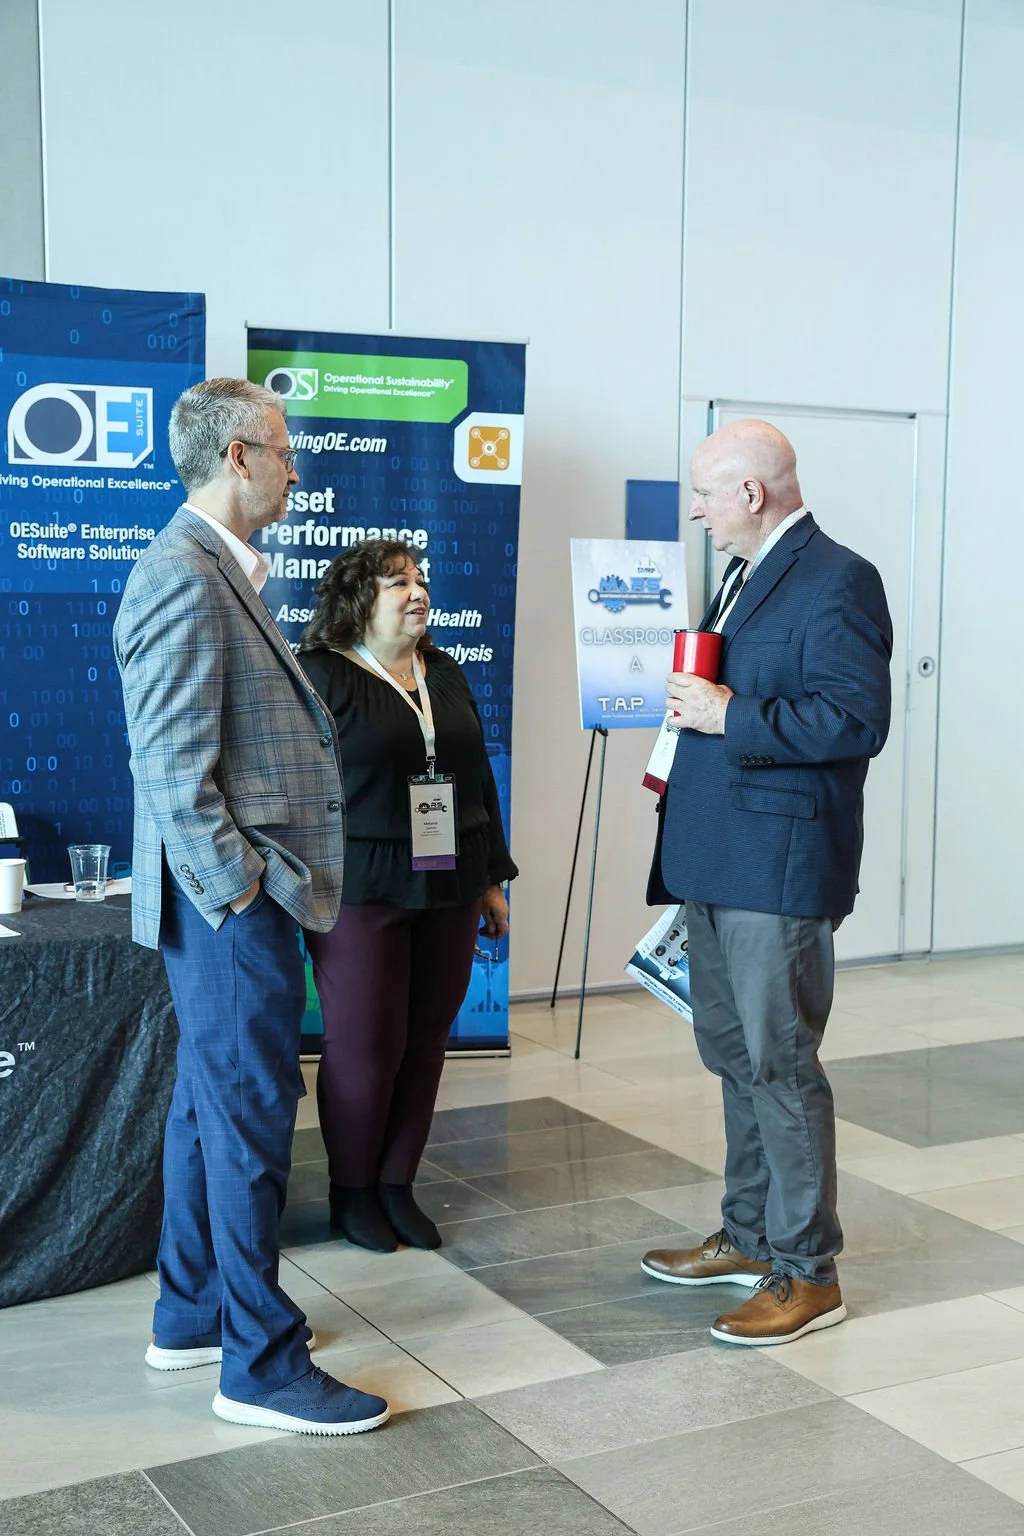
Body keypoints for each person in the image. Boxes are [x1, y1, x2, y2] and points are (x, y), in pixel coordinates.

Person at [113, 379, 389, 1435]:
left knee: (206, 1110)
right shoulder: (183, 577)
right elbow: (174, 771)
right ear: (237, 455)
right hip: (232, 904)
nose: (293, 467)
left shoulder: (218, 574)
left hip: (234, 900)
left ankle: (192, 1315)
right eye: (281, 450)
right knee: (248, 1123)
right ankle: (259, 1364)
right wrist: (239, 893)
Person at [641, 418, 892, 1345]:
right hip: (715, 858)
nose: (697, 509)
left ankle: (805, 1269)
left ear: (751, 494)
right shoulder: (744, 572)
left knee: (781, 1069)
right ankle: (749, 1233)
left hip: (777, 872)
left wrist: (727, 712)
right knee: (732, 1057)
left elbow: (854, 720)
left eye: (706, 493)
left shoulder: (838, 578)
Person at [298, 539, 517, 1252]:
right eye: (398, 583)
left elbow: (477, 778)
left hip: (451, 880)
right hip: (359, 887)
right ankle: (352, 1191)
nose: (417, 592)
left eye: (420, 580)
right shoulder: (320, 676)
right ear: (359, 599)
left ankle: (396, 1184)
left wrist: (491, 879)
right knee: (365, 1046)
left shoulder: (445, 671)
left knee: (425, 1043)